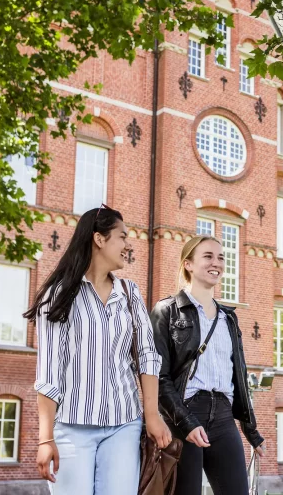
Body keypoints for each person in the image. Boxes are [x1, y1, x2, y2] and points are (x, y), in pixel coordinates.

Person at [24, 204, 171, 494]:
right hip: (71, 426)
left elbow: (147, 356)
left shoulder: (130, 293)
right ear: (99, 239)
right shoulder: (59, 296)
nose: (128, 245)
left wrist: (152, 415)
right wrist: (45, 439)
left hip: (124, 424)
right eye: (122, 236)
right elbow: (49, 373)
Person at [151, 235, 265, 495]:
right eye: (208, 256)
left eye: (221, 257)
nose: (217, 263)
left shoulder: (229, 318)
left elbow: (239, 376)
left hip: (224, 418)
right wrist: (187, 423)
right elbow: (159, 377)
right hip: (183, 416)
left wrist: (250, 429)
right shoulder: (167, 311)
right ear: (188, 264)